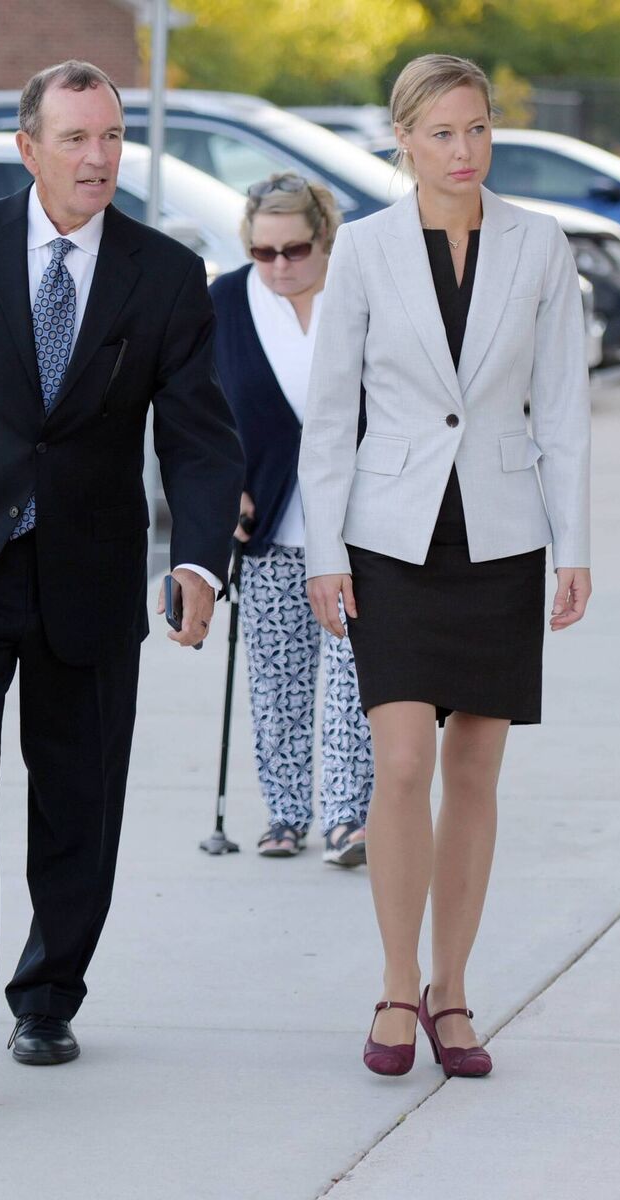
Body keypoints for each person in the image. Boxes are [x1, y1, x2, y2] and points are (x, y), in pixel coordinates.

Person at [0, 60, 243, 1094]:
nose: (97, 158)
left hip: (90, 577)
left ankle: (47, 999)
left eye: (110, 138)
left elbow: (198, 438)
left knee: (78, 803)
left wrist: (198, 558)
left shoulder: (162, 274)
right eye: (74, 139)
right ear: (28, 150)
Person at [299, 54, 591, 1078]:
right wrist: (323, 551)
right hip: (391, 538)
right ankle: (392, 984)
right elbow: (331, 413)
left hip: (502, 539)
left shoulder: (540, 245)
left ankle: (452, 993)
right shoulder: (369, 253)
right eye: (442, 134)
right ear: (403, 142)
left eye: (476, 130)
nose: (463, 150)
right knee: (404, 763)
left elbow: (559, 405)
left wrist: (574, 545)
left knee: (472, 771)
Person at [210, 173, 373, 865]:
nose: (278, 266)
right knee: (277, 680)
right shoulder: (222, 304)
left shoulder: (362, 295)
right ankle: (284, 815)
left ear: (324, 238)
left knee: (352, 677)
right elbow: (197, 413)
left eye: (294, 249)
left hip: (358, 526)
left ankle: (348, 818)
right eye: (263, 252)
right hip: (270, 526)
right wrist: (224, 491)